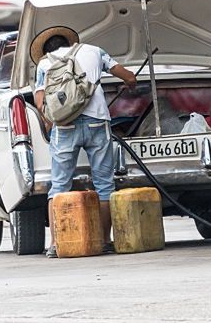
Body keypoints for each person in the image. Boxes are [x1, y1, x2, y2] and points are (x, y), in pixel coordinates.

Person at [32, 26, 137, 258]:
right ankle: (104, 240)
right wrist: (130, 83)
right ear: (68, 42)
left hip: (64, 125)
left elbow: (40, 99)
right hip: (97, 123)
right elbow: (128, 76)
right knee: (104, 185)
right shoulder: (94, 51)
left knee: (59, 186)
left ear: (48, 49)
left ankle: (56, 244)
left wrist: (50, 120)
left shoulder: (44, 63)